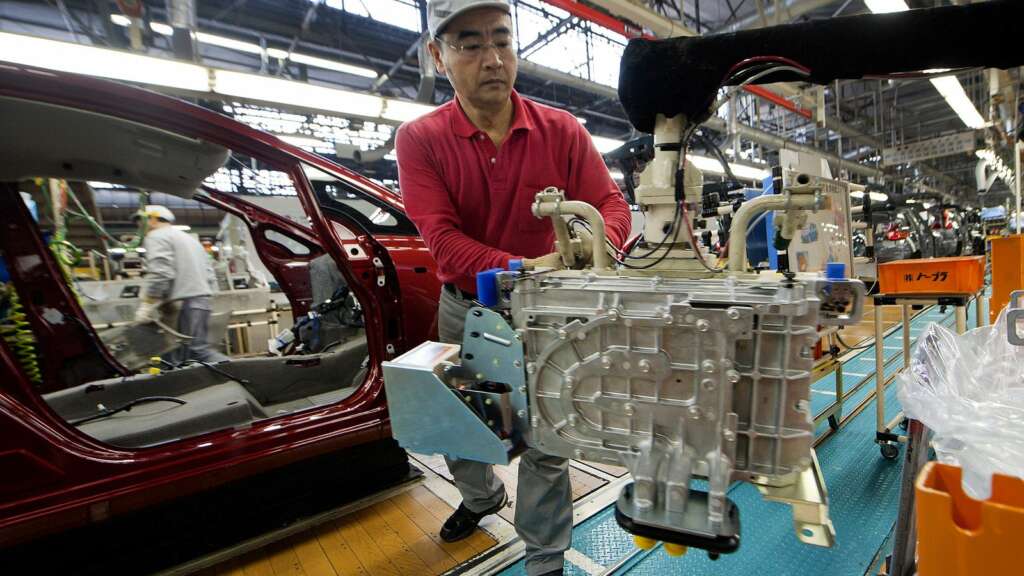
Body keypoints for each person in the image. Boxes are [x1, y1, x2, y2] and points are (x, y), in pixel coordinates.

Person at [395, 2, 632, 574]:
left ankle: (545, 558)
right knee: (465, 426)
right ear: (438, 56)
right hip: (468, 311)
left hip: (549, 315)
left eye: (502, 41)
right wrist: (533, 266)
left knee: (548, 442)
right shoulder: (421, 139)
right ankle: (481, 497)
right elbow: (443, 242)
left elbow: (610, 204)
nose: (493, 59)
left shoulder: (562, 131)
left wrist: (597, 245)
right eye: (471, 44)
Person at [133, 204, 227, 364]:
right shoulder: (189, 239)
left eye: (141, 222)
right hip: (201, 302)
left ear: (153, 219)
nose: (139, 227)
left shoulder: (156, 236)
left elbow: (160, 272)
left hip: (182, 305)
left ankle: (241, 372)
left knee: (187, 355)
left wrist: (148, 303)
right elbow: (210, 273)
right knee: (189, 355)